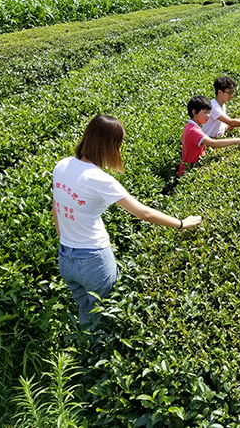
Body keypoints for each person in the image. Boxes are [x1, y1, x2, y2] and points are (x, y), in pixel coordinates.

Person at [52, 114, 202, 327]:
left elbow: (56, 207)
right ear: (108, 146)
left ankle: (83, 349)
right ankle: (95, 354)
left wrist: (64, 240)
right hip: (93, 260)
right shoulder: (99, 179)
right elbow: (144, 213)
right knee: (106, 316)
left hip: (66, 258)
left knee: (85, 310)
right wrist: (181, 223)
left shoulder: (62, 165)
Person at [180, 95, 240, 176]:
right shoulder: (193, 130)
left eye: (209, 113)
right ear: (194, 112)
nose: (208, 116)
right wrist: (237, 140)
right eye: (205, 113)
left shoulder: (190, 126)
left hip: (190, 169)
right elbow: (213, 143)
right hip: (189, 172)